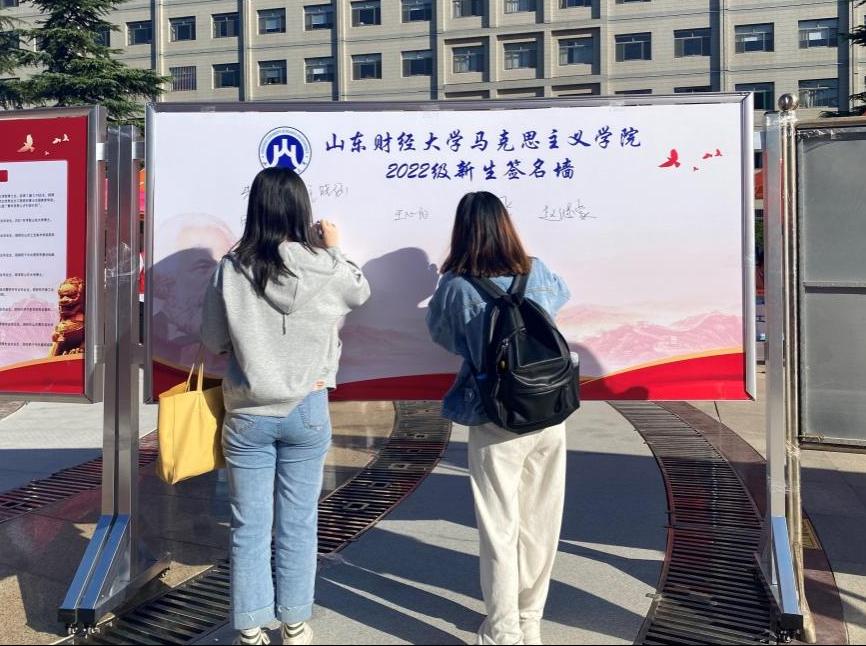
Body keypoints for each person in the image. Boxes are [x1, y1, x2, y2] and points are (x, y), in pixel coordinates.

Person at [200, 167, 370, 646]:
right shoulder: (324, 266)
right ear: (302, 209)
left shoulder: (230, 268)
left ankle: (250, 627)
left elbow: (213, 339)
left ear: (255, 208)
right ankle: (294, 623)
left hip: (248, 412)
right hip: (307, 406)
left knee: (248, 525)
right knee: (298, 522)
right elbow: (360, 293)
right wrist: (332, 249)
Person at [426, 192, 572, 646]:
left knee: (499, 526)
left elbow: (443, 337)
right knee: (542, 520)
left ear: (462, 231)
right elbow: (560, 301)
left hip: (495, 415)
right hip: (548, 411)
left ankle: (503, 631)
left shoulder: (456, 286)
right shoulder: (536, 270)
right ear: (506, 225)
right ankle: (531, 620)